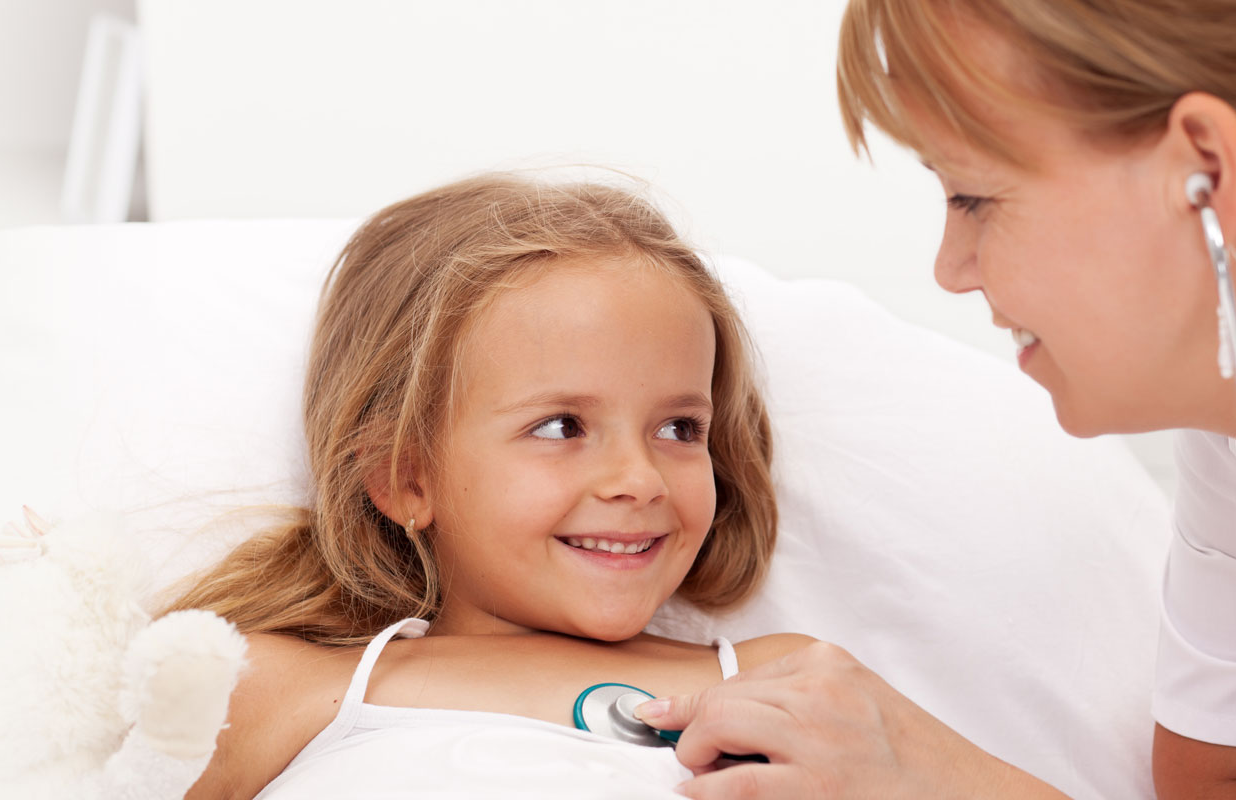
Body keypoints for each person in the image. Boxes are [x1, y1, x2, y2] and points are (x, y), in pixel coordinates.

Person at [634, 1, 1236, 797]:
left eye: (972, 197)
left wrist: (944, 780)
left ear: (1206, 174)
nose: (950, 269)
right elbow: (1233, 784)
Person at [168, 173, 815, 799]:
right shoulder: (272, 686)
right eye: (562, 426)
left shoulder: (784, 681)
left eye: (678, 428)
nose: (640, 481)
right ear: (404, 477)